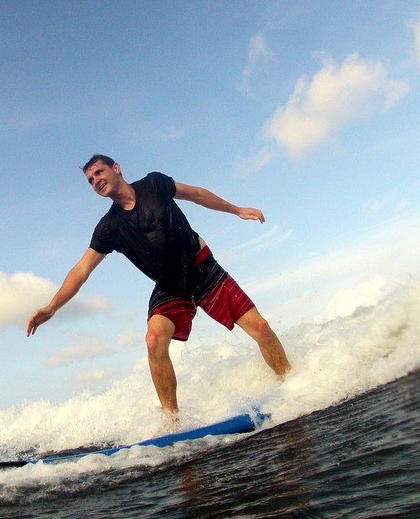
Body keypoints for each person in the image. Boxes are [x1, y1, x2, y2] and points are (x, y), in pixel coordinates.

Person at [27, 155, 291, 415]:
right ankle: (171, 422)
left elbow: (196, 194)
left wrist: (236, 210)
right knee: (154, 340)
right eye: (90, 180)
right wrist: (52, 307)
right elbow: (82, 269)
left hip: (202, 268)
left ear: (116, 168)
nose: (95, 181)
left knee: (260, 327)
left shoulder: (154, 184)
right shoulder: (109, 227)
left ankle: (291, 382)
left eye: (99, 172)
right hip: (169, 287)